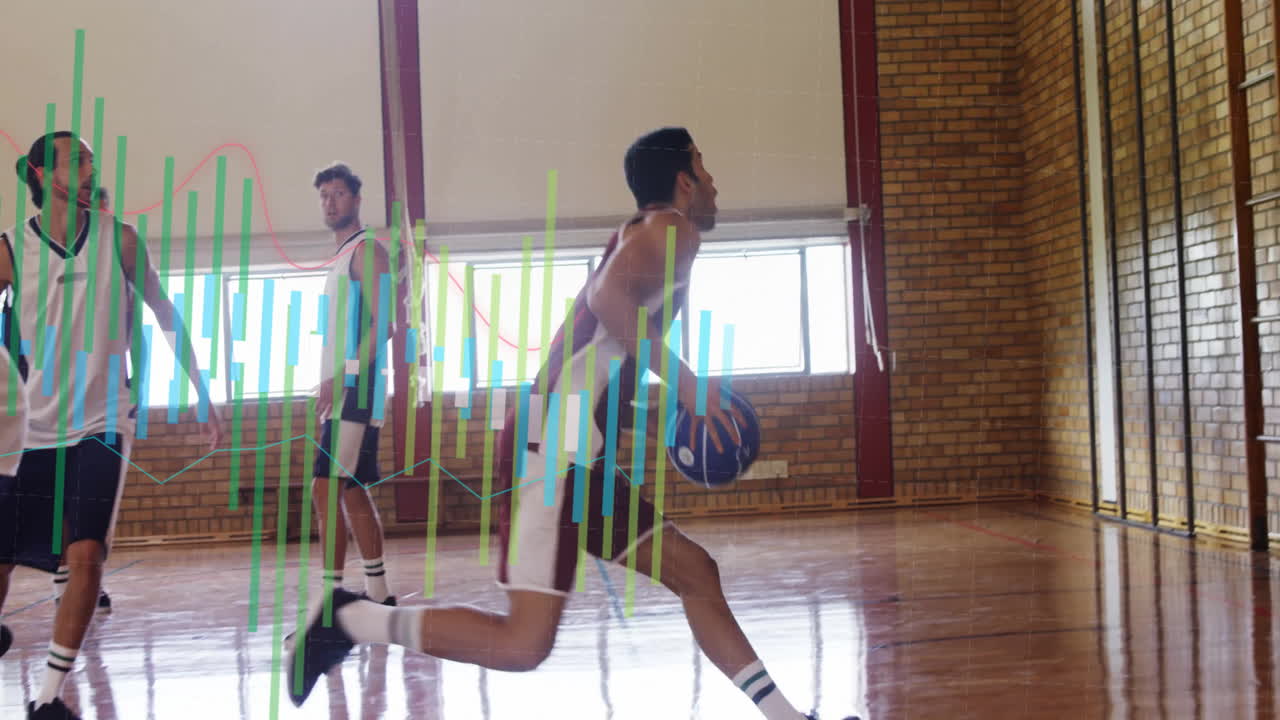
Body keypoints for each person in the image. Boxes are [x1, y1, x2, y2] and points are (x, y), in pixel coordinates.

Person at [287, 129, 856, 720]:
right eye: (704, 169)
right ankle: (351, 619)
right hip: (553, 446)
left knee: (695, 572)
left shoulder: (655, 238)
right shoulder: (671, 228)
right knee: (522, 644)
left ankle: (789, 718)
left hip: (578, 448)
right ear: (684, 180)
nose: (713, 183)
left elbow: (602, 361)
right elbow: (611, 301)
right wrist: (688, 386)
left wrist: (664, 411)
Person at [0, 131, 222, 720]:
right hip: (31, 431)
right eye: (75, 159)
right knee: (3, 554)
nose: (89, 165)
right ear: (43, 175)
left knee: (88, 553)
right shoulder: (11, 249)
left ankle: (48, 697)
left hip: (102, 422)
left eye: (90, 158)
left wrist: (201, 391)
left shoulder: (119, 241)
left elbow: (165, 311)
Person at [307, 163, 397, 608]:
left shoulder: (367, 251)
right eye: (324, 195)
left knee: (324, 489)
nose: (330, 202)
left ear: (356, 200)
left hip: (356, 391)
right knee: (352, 489)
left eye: (338, 194)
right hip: (346, 390)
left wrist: (340, 378)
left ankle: (330, 603)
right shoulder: (341, 258)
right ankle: (379, 593)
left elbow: (386, 325)